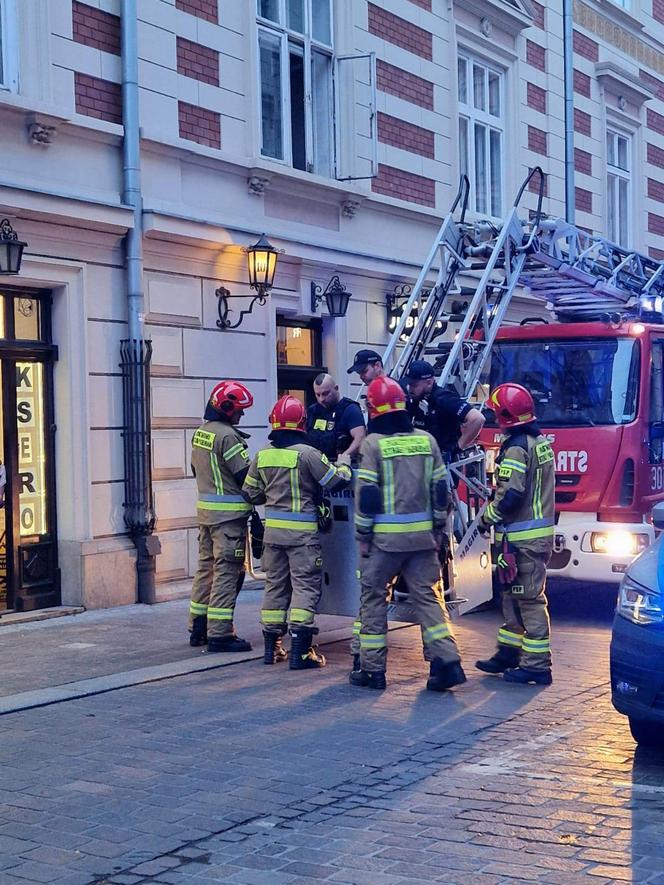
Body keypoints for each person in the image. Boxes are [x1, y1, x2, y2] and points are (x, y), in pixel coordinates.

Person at [351, 375, 466, 691]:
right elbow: (441, 488)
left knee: (373, 597)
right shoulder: (426, 440)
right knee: (429, 598)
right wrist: (439, 529)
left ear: (374, 410)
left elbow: (368, 494)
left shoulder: (373, 444)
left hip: (384, 542)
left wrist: (362, 535)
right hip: (422, 540)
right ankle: (447, 661)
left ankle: (372, 670)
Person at [243, 395, 352, 669]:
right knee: (304, 587)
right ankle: (301, 653)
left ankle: (272, 649)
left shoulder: (263, 455)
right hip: (302, 537)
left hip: (273, 536)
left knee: (275, 587)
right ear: (301, 423)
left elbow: (251, 494)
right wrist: (346, 463)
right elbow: (334, 480)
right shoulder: (308, 454)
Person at [475, 382, 555, 686]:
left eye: (496, 412)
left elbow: (510, 496)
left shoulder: (517, 447)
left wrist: (486, 518)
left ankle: (536, 665)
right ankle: (509, 652)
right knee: (512, 595)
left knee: (530, 600)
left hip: (524, 540)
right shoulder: (538, 442)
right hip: (527, 538)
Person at [188, 381, 254, 653]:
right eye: (239, 410)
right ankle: (220, 633)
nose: (241, 415)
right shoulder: (228, 437)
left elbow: (195, 469)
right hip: (228, 521)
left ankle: (198, 627)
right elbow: (245, 477)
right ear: (226, 409)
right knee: (228, 573)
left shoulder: (200, 433)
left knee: (206, 570)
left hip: (206, 516)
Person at [405, 359, 485, 460]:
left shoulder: (444, 399)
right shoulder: (415, 401)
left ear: (429, 383)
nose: (410, 389)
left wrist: (457, 447)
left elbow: (477, 419)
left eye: (414, 385)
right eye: (409, 384)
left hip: (444, 464)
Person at [306, 373, 366, 462]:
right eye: (317, 395)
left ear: (336, 388)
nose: (321, 399)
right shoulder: (312, 411)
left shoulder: (350, 409)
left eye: (325, 393)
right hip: (316, 465)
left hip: (340, 466)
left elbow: (360, 438)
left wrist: (344, 458)